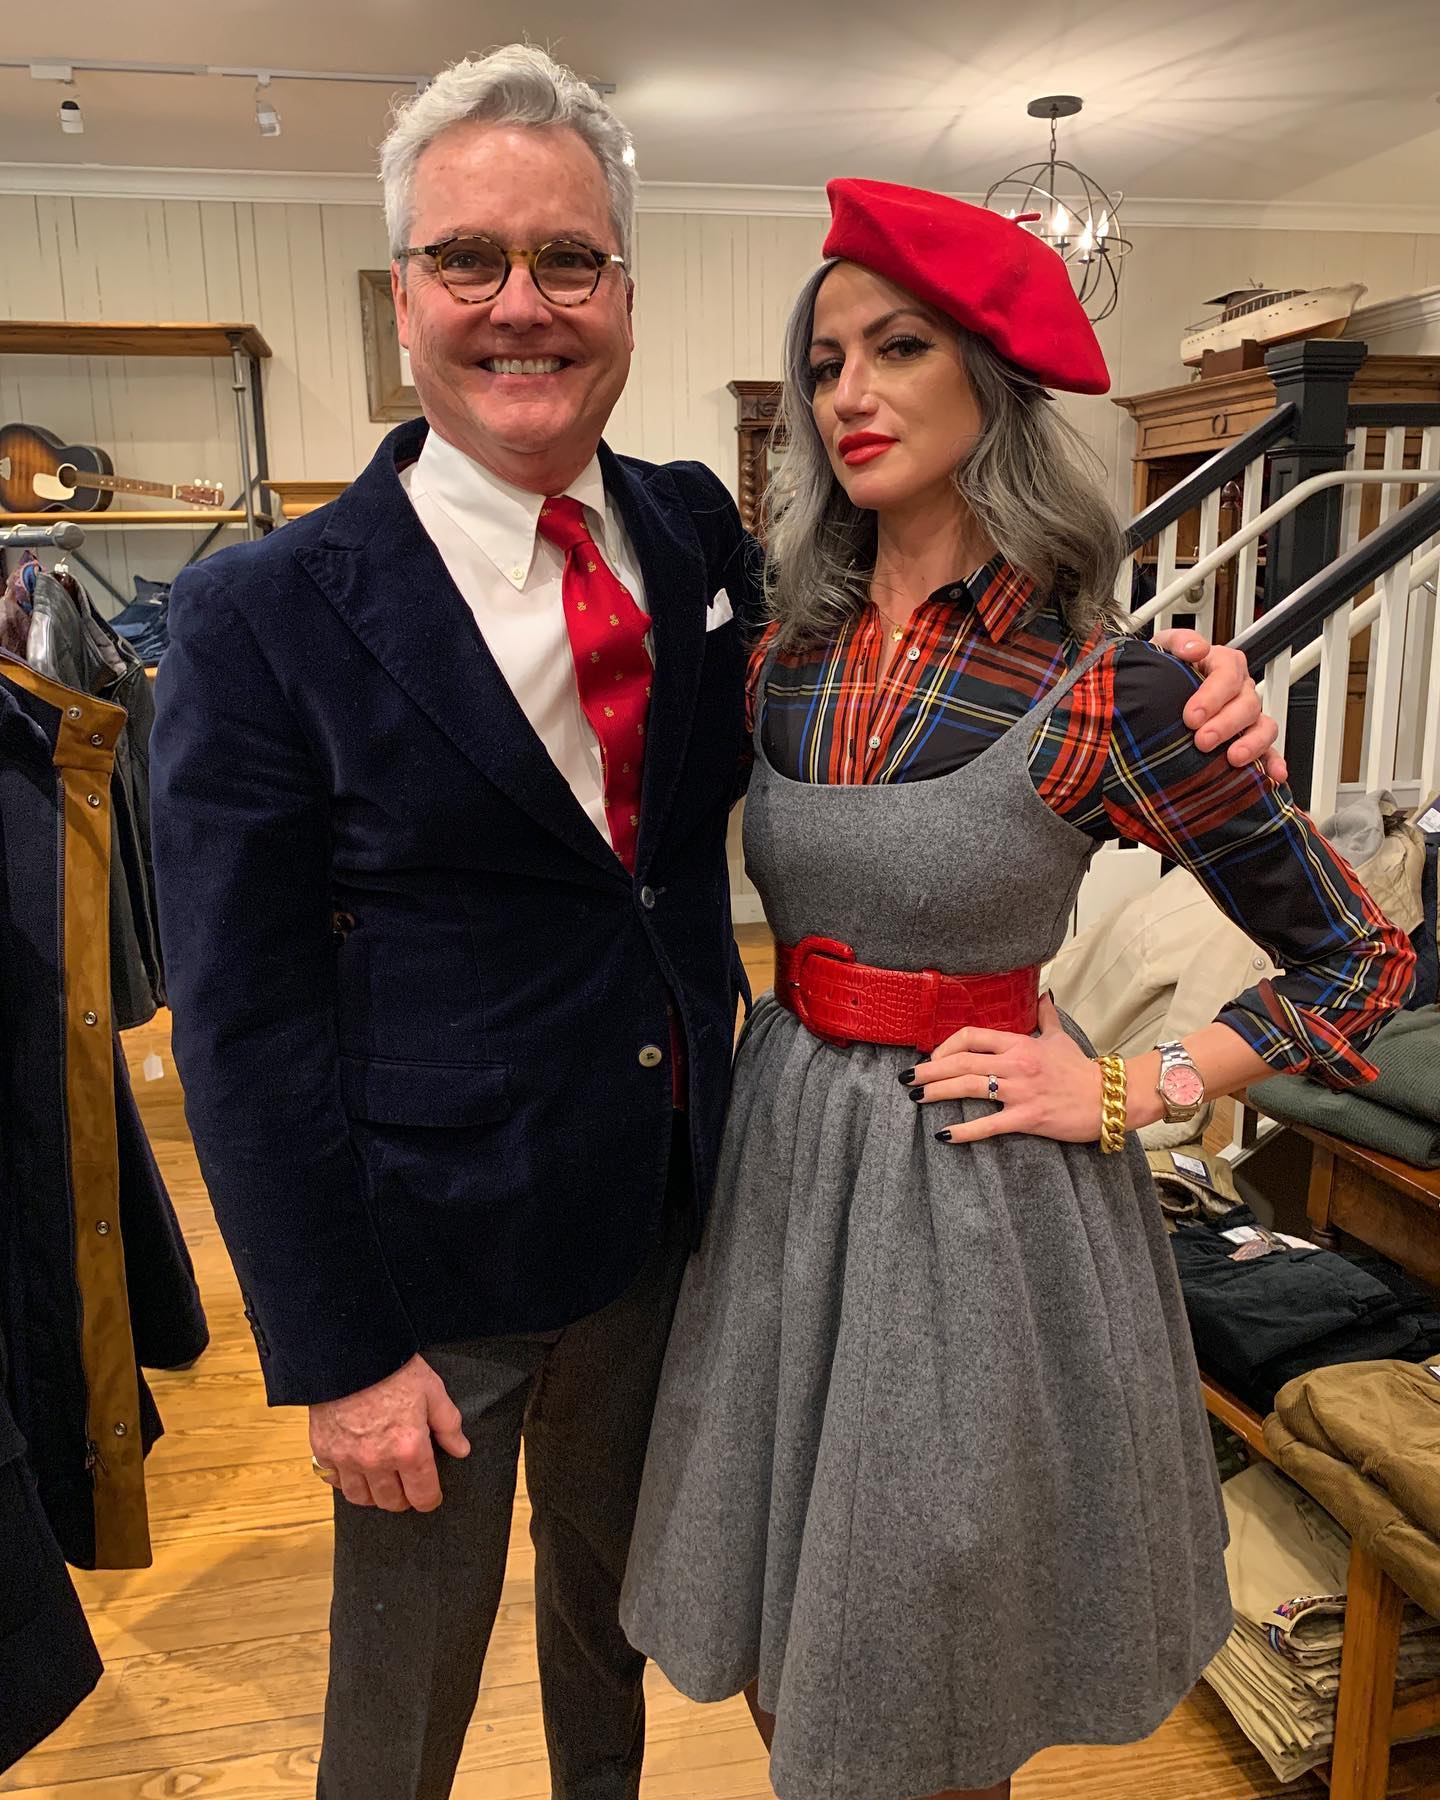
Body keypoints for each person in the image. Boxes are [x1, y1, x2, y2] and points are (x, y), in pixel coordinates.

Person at [149, 50, 1279, 1800]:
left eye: (568, 260)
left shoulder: (695, 538)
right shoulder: (260, 612)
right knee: (400, 1705)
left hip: (691, 1218)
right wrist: (337, 1351)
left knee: (624, 1639)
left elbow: (939, 640)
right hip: (429, 1270)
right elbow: (240, 1022)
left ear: (622, 287)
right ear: (404, 292)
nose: (520, 305)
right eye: (468, 260)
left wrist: (1200, 679)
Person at [619, 179, 1417, 1800]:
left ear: (993, 381)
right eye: (824, 359)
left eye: (897, 347)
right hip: (786, 1172)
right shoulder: (780, 654)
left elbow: (1363, 956)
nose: (847, 392)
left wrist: (1133, 1087)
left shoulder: (1105, 686)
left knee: (942, 1649)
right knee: (787, 1622)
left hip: (981, 1195)